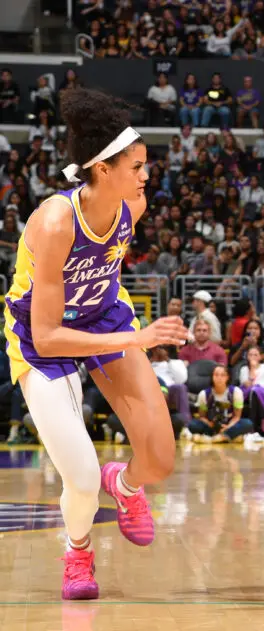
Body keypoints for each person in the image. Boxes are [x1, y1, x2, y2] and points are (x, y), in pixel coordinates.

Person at [3, 88, 189, 600]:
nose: (146, 174)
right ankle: (78, 553)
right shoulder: (55, 222)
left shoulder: (135, 204)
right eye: (137, 165)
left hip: (104, 318)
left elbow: (106, 268)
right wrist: (139, 336)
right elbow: (48, 333)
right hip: (42, 339)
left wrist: (121, 331)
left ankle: (125, 486)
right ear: (103, 169)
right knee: (81, 479)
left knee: (159, 459)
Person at [187, 365, 254, 443]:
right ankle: (229, 437)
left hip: (230, 425)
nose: (219, 378)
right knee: (193, 424)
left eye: (223, 375)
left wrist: (228, 427)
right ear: (212, 377)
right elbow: (202, 416)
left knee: (247, 423)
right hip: (211, 426)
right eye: (216, 375)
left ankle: (217, 438)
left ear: (228, 377)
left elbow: (236, 416)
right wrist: (210, 424)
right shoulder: (204, 394)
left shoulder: (236, 392)